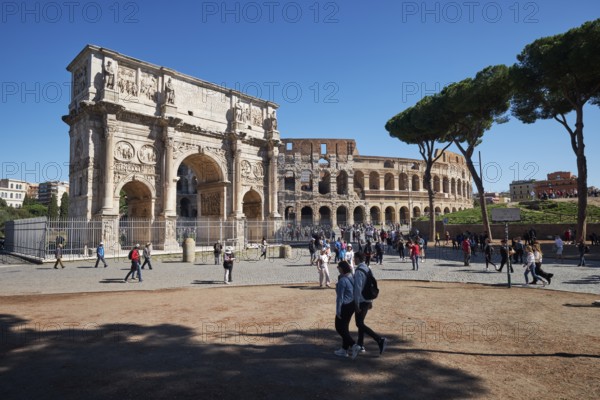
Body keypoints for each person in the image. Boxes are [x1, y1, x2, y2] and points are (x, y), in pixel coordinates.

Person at [352, 252, 388, 359]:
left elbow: (357, 289)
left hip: (362, 300)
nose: (354, 259)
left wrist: (356, 304)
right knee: (360, 323)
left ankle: (379, 340)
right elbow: (371, 285)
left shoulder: (359, 271)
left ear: (358, 258)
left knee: (359, 323)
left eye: (355, 258)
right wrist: (371, 301)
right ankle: (360, 344)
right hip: (368, 299)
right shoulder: (368, 268)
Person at [334, 260, 356, 357]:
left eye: (338, 267)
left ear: (342, 268)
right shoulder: (351, 276)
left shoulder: (342, 280)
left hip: (345, 305)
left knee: (339, 327)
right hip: (352, 304)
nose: (337, 268)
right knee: (345, 327)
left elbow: (340, 297)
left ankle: (353, 345)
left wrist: (338, 310)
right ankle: (344, 349)